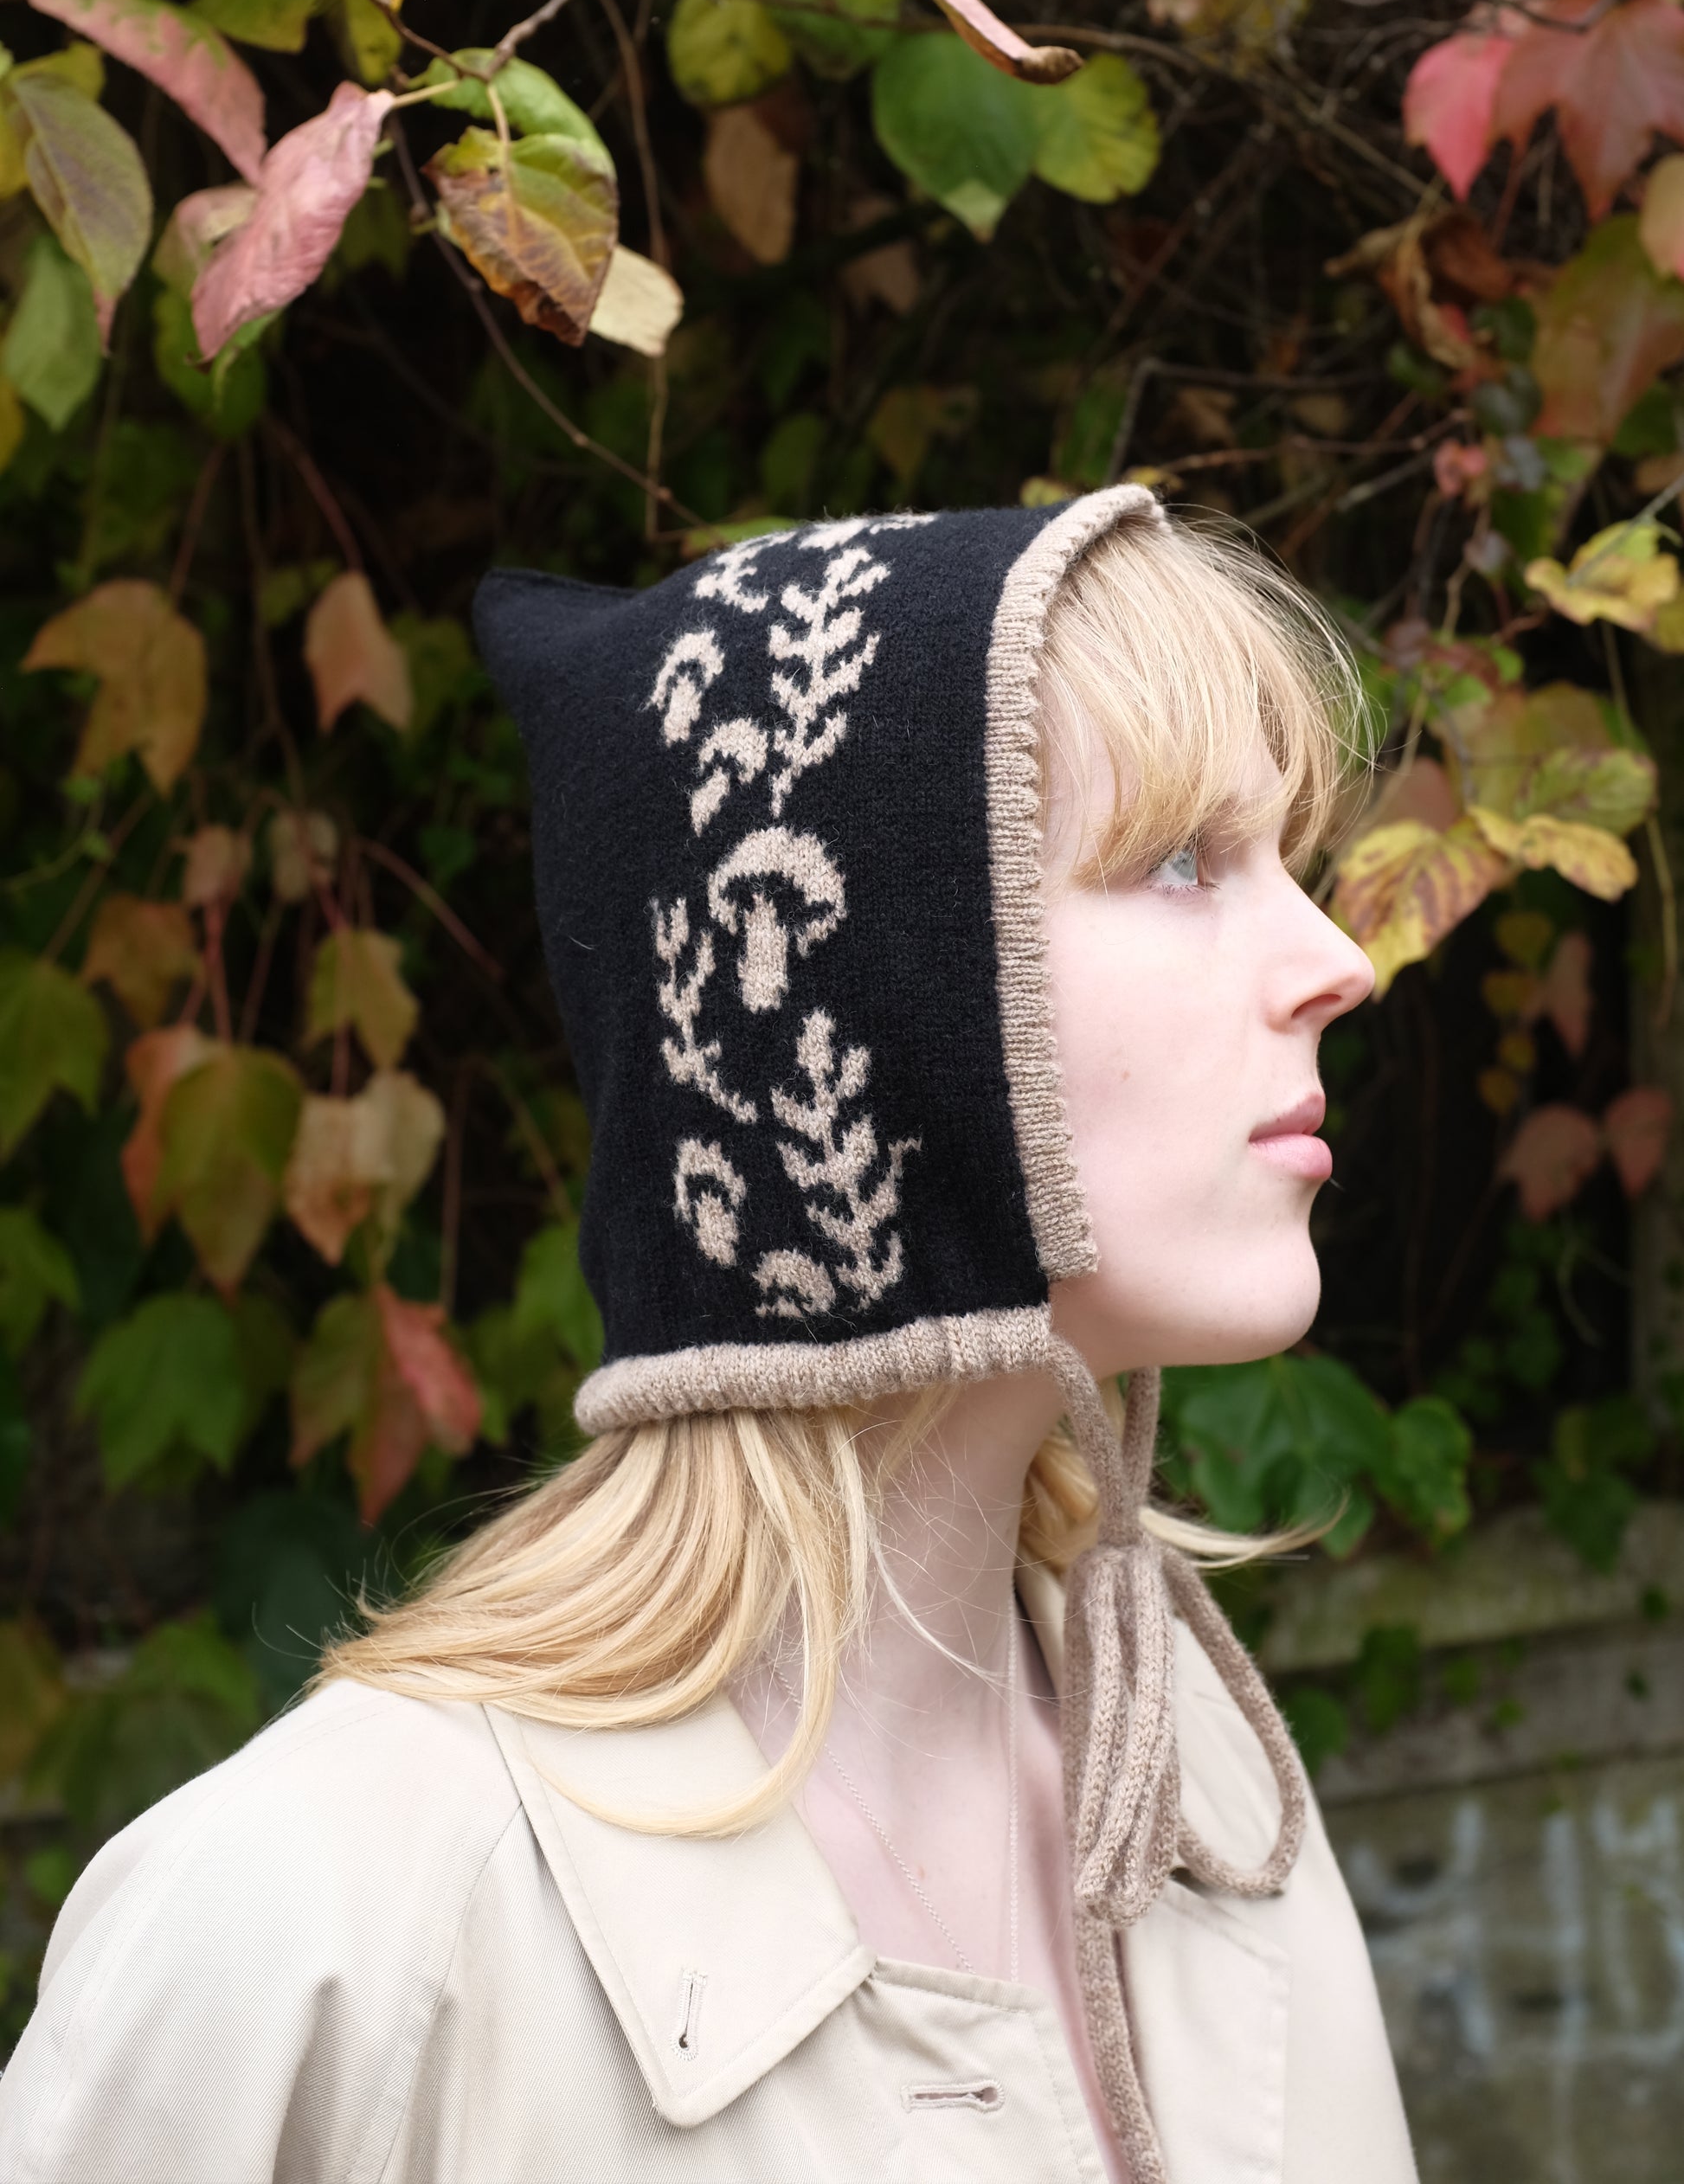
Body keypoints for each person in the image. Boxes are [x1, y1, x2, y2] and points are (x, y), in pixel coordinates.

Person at [0, 488, 1417, 2184]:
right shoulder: (335, 1915)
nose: (1336, 957)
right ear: (867, 980)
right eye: (1182, 859)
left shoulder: (1186, 1769)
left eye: (1285, 858)